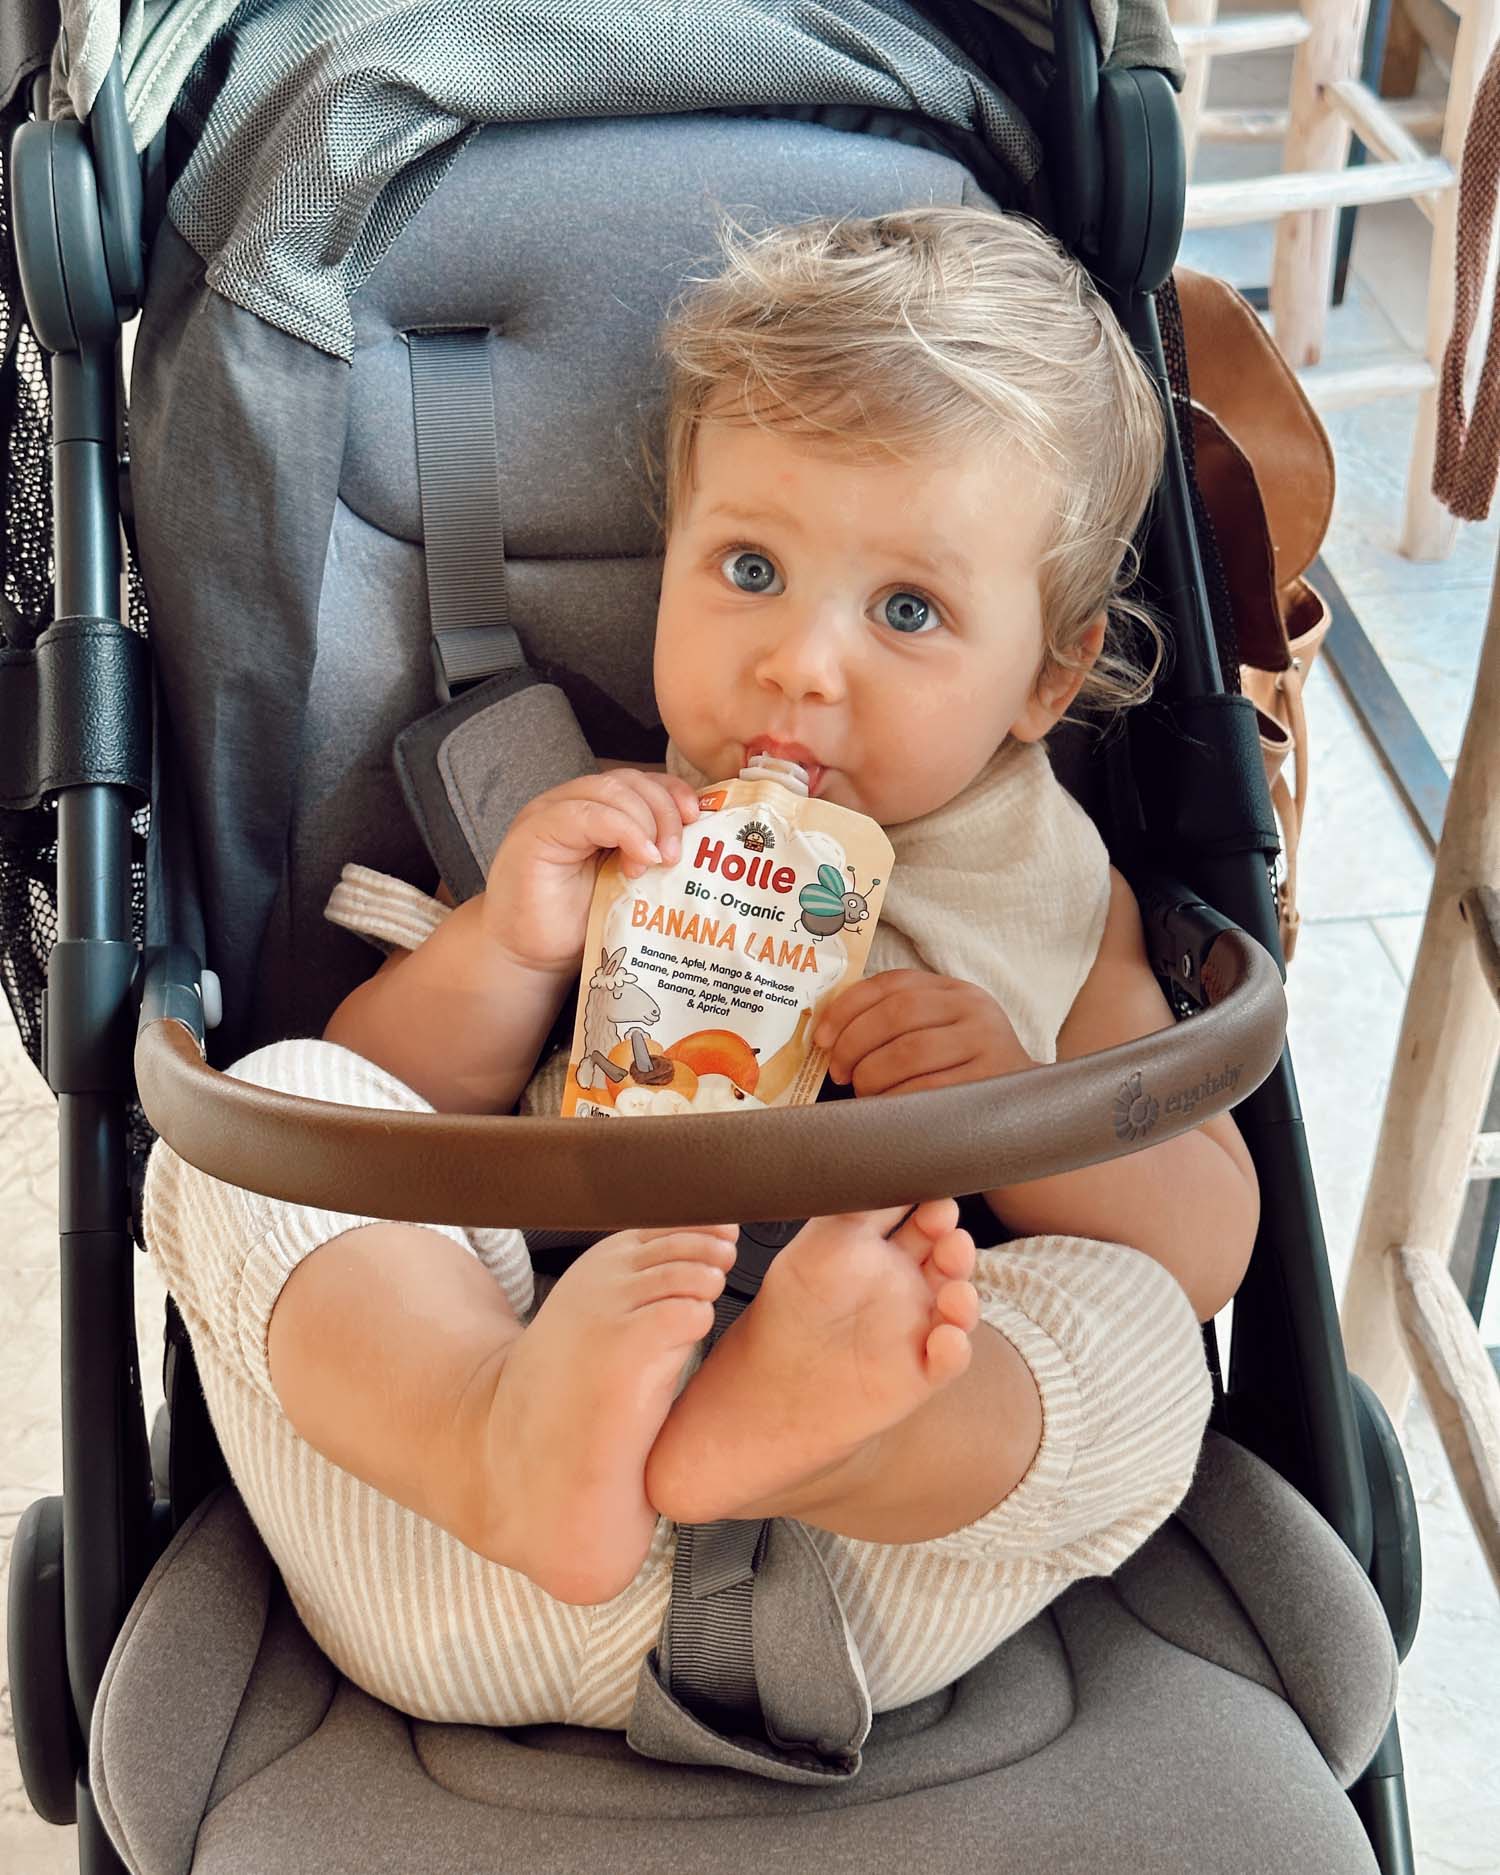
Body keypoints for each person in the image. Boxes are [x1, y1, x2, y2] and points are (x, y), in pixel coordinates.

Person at [144, 208, 1258, 1732]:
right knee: (270, 1117)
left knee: (1145, 1348)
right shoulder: (587, 817)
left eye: (909, 611)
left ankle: (816, 1429)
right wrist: (508, 945)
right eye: (749, 565)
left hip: (873, 1564)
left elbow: (1206, 1239)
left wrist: (1024, 1096)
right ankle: (498, 1430)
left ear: (1049, 676)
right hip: (469, 1549)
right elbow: (379, 1102)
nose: (802, 662)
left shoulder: (1067, 908)